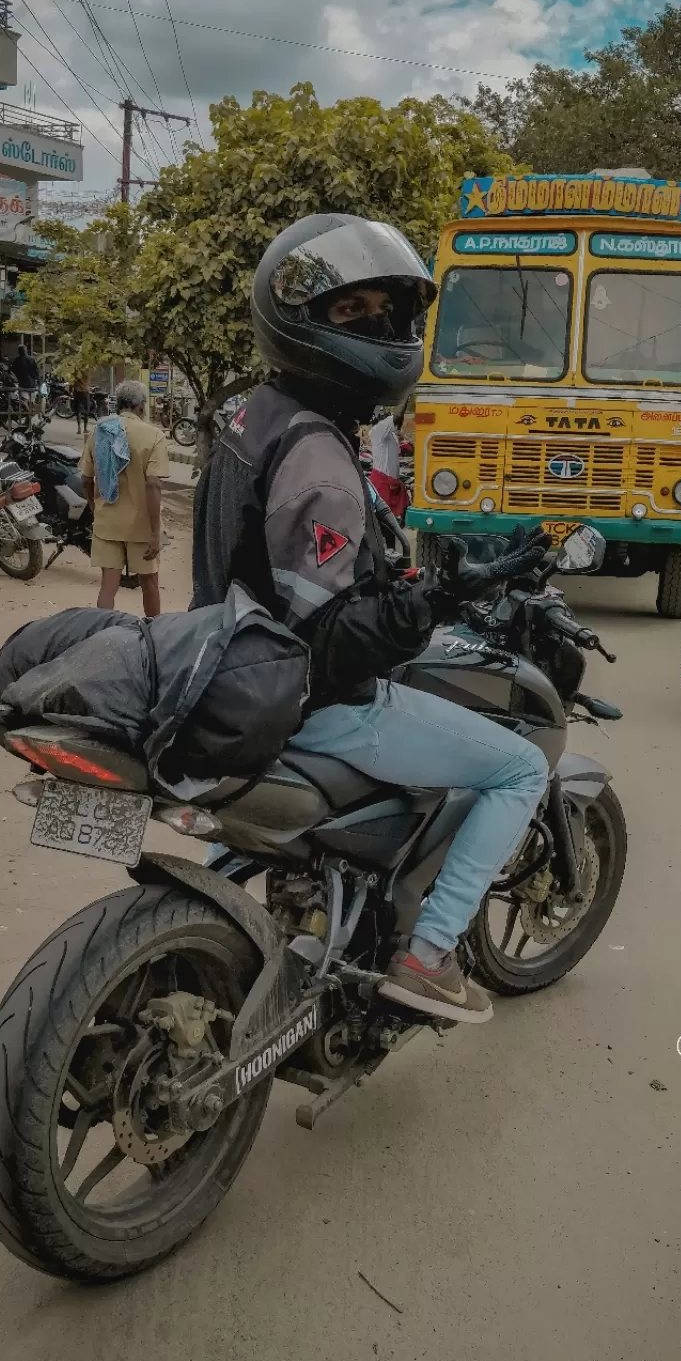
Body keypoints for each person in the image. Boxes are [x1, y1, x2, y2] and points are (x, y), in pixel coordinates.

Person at [192, 212, 551, 1024]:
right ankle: (426, 958)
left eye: (386, 309)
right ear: (299, 321)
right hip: (304, 704)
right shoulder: (316, 452)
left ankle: (261, 898)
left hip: (221, 677)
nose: (379, 328)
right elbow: (330, 643)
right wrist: (437, 598)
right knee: (519, 768)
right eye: (349, 311)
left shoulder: (256, 415)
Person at [79, 379, 169, 618]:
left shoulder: (100, 431)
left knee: (108, 587)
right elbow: (153, 484)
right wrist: (154, 533)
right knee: (149, 584)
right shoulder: (154, 436)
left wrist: (94, 507)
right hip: (142, 526)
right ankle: (154, 636)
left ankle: (101, 633)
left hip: (108, 522)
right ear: (141, 407)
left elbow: (86, 479)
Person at [73, 368, 92, 436]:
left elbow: (74, 381)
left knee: (78, 411)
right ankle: (85, 428)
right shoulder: (87, 372)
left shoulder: (77, 371)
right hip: (85, 392)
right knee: (86, 411)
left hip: (78, 392)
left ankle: (79, 428)